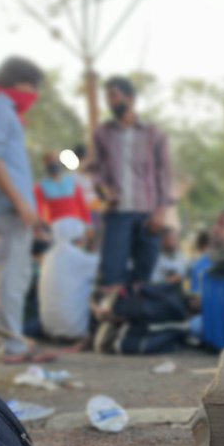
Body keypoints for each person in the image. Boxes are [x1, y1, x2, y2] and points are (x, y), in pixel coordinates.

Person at [0, 55, 52, 363]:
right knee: (12, 277)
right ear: (20, 84)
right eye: (33, 88)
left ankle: (10, 339)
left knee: (6, 275)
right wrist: (21, 203)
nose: (34, 95)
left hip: (3, 205)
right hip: (9, 207)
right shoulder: (0, 108)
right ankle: (13, 346)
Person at [87, 75, 174, 290]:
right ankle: (116, 318)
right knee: (112, 275)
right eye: (107, 97)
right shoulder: (102, 133)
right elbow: (94, 171)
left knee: (144, 277)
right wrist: (102, 190)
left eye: (114, 96)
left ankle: (139, 322)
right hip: (117, 213)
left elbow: (165, 174)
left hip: (148, 215)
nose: (110, 102)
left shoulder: (154, 134)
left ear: (131, 98)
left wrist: (161, 211)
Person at [39, 225, 99, 342]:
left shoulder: (48, 256)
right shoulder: (80, 258)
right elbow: (110, 271)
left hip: (48, 329)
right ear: (81, 238)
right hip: (76, 331)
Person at [34, 151, 91, 241]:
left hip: (75, 224)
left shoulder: (71, 181)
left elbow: (81, 204)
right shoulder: (41, 186)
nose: (53, 164)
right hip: (56, 226)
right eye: (50, 162)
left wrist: (88, 223)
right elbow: (39, 210)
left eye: (55, 161)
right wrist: (39, 228)